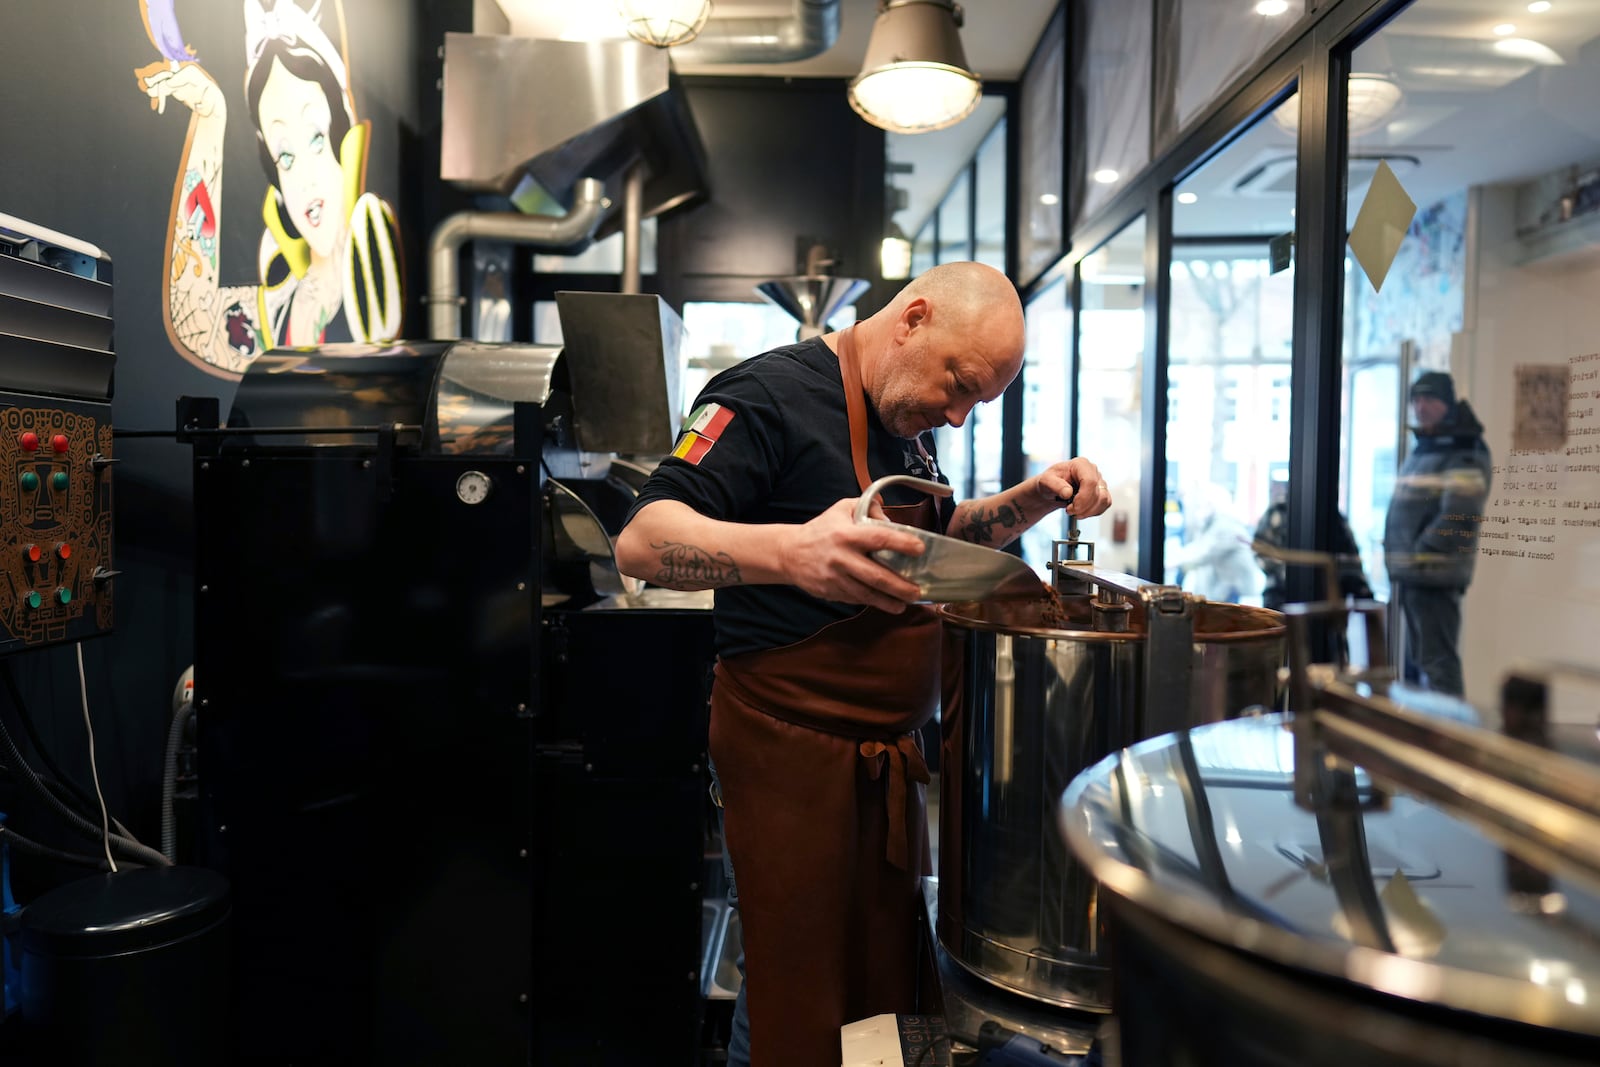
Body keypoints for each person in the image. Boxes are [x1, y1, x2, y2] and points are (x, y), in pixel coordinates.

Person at [614, 262, 1111, 1067]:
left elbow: (942, 545)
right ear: (913, 318)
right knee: (794, 983)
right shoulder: (763, 394)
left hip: (881, 767)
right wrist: (793, 552)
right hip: (786, 761)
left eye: (977, 404)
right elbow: (642, 539)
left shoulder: (906, 423)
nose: (956, 415)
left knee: (881, 969)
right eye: (959, 385)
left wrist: (1035, 498)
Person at [136, 0, 402, 374]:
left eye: (316, 138)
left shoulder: (373, 268)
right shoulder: (280, 314)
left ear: (345, 141)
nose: (305, 178)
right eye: (285, 157)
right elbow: (195, 321)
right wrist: (211, 118)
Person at [1383, 370, 1491, 696]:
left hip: (1433, 574)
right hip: (1414, 574)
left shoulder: (1463, 447)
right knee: (1420, 662)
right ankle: (1425, 735)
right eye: (1416, 399)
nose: (1420, 406)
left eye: (1429, 399)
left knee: (1438, 664)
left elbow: (1460, 514)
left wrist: (1419, 553)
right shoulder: (1429, 445)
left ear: (1446, 403)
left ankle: (1448, 738)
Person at [1253, 480, 1373, 610]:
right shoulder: (1277, 512)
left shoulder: (1334, 517)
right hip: (1281, 597)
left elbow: (1351, 562)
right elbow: (1260, 551)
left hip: (1327, 602)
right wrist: (1287, 573)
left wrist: (1364, 595)